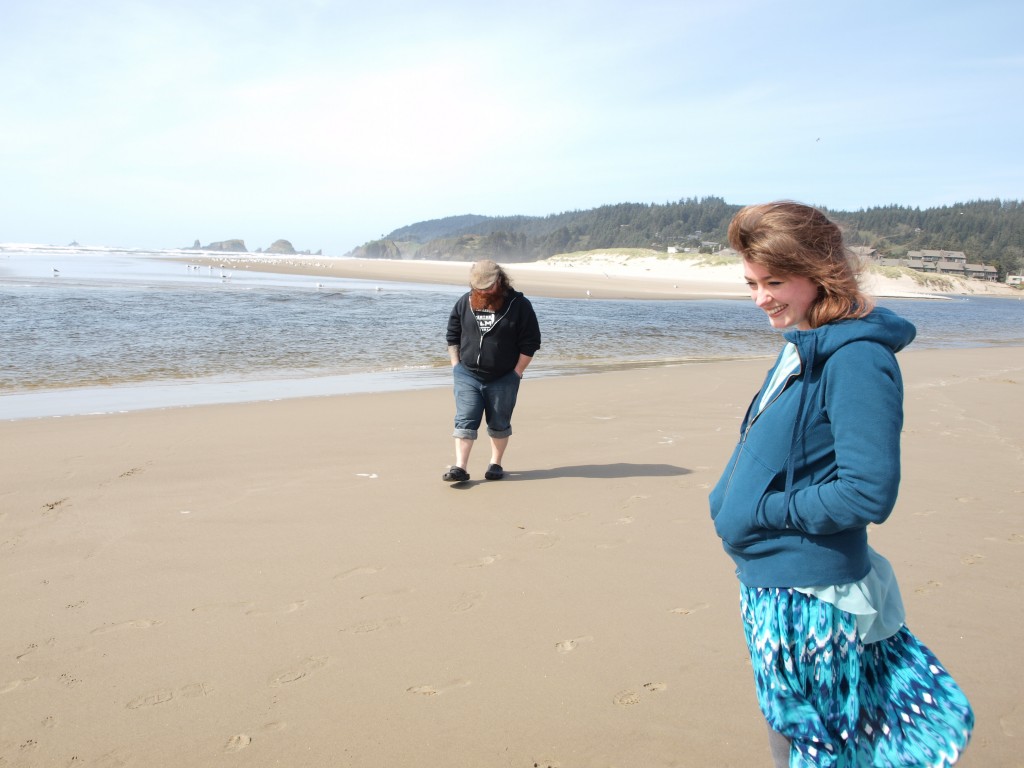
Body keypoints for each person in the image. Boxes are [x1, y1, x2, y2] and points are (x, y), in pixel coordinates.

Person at [709, 202, 974, 766]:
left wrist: (763, 509)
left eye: (775, 281)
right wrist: (730, 501)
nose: (761, 298)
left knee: (818, 743)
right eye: (752, 282)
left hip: (809, 593)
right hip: (770, 579)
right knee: (789, 726)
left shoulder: (855, 360)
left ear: (820, 270)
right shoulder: (801, 343)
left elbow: (867, 492)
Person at [443, 260, 541, 482]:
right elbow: (452, 333)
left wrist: (517, 372)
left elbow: (531, 342)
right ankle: (460, 467)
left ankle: (495, 463)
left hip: (505, 377)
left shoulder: (519, 305)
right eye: (479, 287)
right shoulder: (465, 302)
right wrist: (455, 365)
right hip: (467, 374)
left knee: (499, 423)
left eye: (488, 287)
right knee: (465, 419)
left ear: (500, 280)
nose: (483, 291)